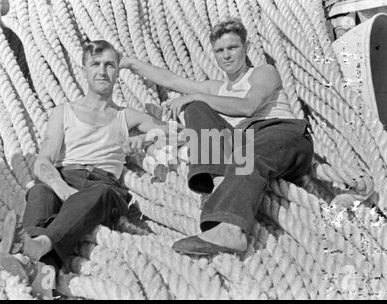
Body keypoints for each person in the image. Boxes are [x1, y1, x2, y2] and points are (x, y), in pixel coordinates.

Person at [120, 18, 314, 256]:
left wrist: (196, 97)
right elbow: (170, 80)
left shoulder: (263, 72)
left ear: (246, 48)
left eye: (232, 47)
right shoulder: (216, 89)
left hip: (282, 135)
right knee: (195, 110)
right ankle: (220, 180)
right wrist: (130, 63)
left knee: (243, 151)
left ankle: (231, 231)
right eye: (220, 50)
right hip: (245, 141)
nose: (226, 55)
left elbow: (249, 106)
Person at [0, 40, 172, 291]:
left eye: (110, 65)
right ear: (85, 70)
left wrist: (145, 138)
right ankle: (40, 274)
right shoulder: (63, 112)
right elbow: (42, 162)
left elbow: (171, 132)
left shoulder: (126, 116)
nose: (102, 71)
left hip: (103, 187)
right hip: (65, 178)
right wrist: (63, 189)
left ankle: (33, 245)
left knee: (98, 193)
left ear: (118, 70)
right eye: (95, 64)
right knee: (40, 191)